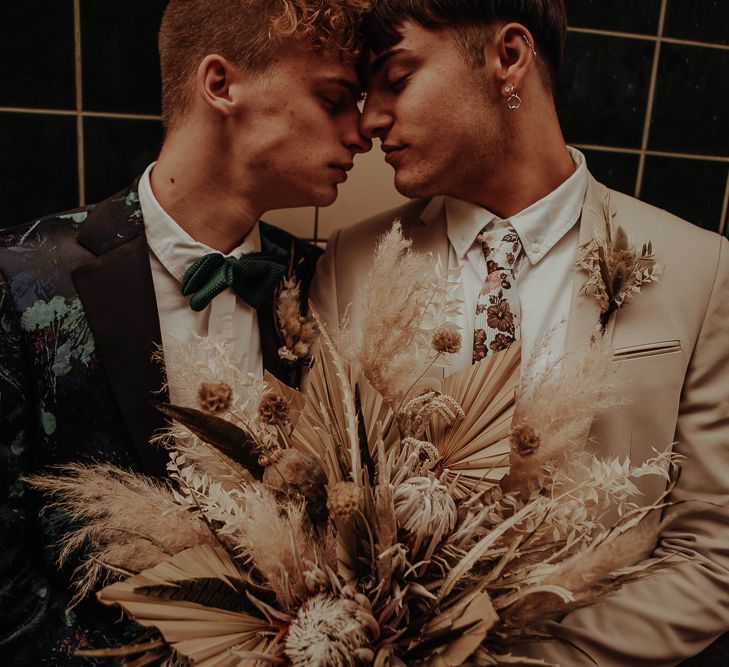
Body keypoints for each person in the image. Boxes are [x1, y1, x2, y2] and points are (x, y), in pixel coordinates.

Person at [311, 1, 729, 664]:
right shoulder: (351, 263)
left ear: (508, 57)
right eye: (363, 94)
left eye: (394, 79)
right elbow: (319, 508)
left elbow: (710, 555)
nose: (368, 120)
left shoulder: (698, 269)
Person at [0, 0, 370, 662]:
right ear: (221, 84)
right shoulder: (23, 279)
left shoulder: (327, 283)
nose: (361, 130)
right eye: (335, 98)